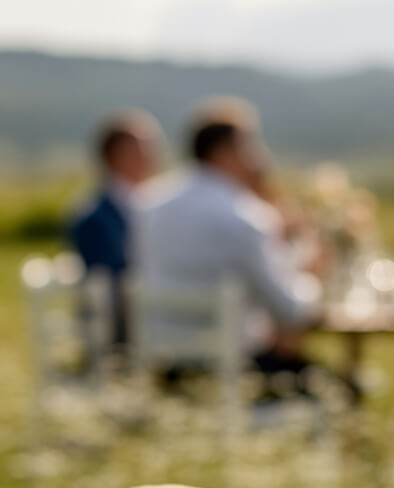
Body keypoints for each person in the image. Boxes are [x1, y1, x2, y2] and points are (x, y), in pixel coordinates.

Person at [135, 98, 320, 379]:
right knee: (344, 386)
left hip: (163, 365)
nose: (259, 157)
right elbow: (288, 309)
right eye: (251, 145)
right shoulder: (246, 217)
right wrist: (313, 276)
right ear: (224, 153)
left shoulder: (148, 204)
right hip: (232, 370)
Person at [70, 110, 160, 342]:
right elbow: (108, 287)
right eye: (141, 150)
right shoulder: (93, 217)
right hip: (124, 329)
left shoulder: (150, 204)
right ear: (113, 156)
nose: (150, 157)